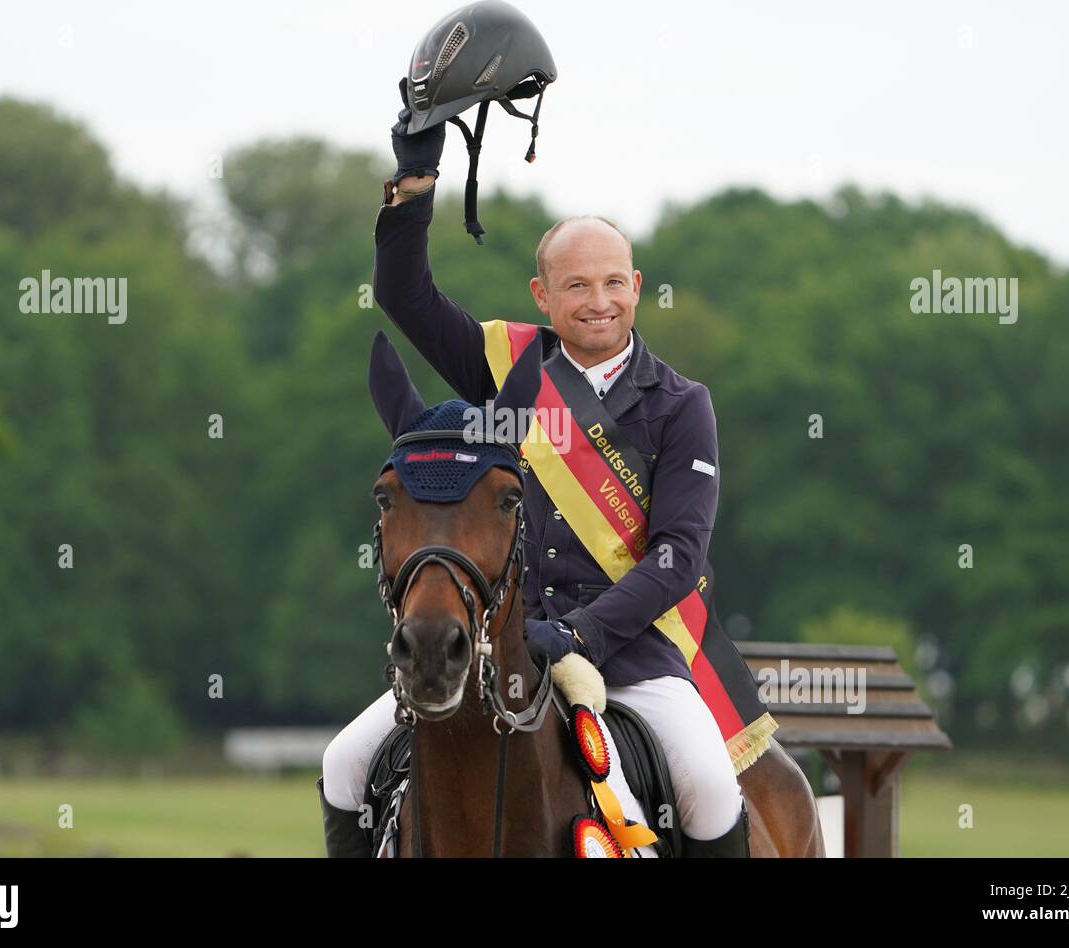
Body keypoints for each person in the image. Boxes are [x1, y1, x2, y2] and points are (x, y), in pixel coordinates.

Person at [316, 91, 751, 859]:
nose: (599, 302)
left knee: (712, 787)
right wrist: (416, 179)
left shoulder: (682, 405)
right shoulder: (503, 367)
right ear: (542, 297)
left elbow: (678, 557)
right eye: (577, 286)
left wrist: (580, 632)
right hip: (496, 645)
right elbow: (403, 296)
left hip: (633, 656)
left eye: (614, 283)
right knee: (344, 763)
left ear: (637, 288)